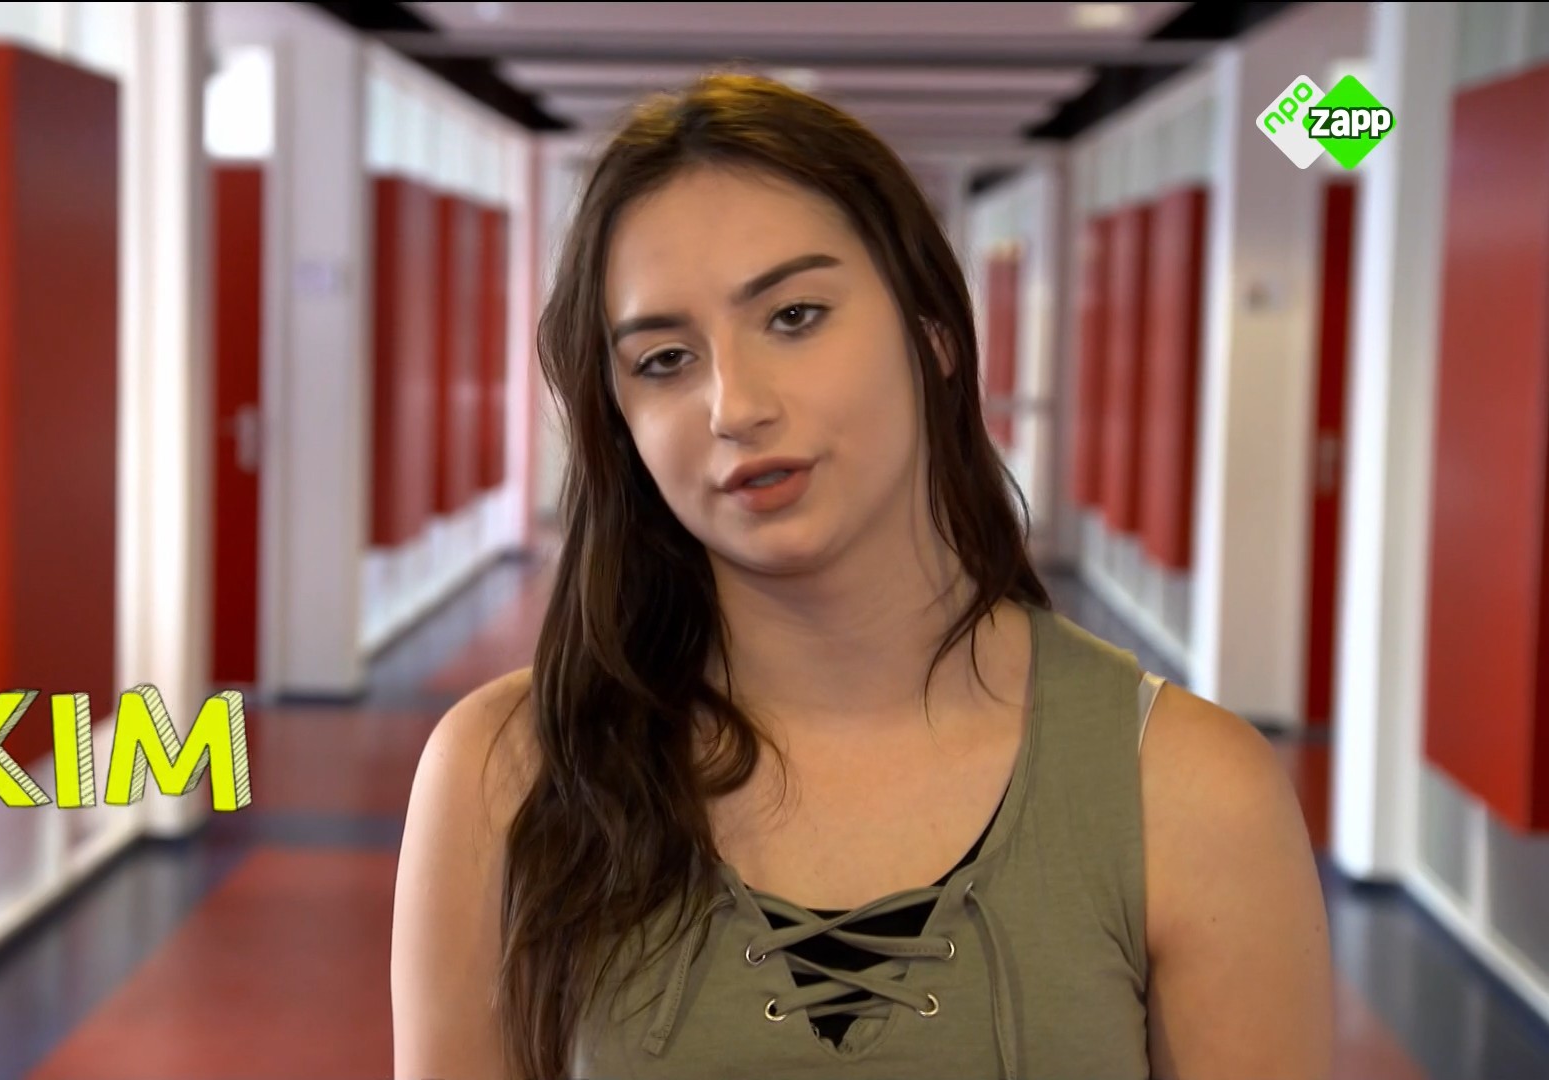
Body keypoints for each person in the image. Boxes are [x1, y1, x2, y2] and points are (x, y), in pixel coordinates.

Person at [391, 72, 1333, 1080]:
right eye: (665, 360)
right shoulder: (505, 775)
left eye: (795, 315)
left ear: (934, 336)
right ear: (620, 421)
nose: (735, 406)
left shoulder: (1185, 791)